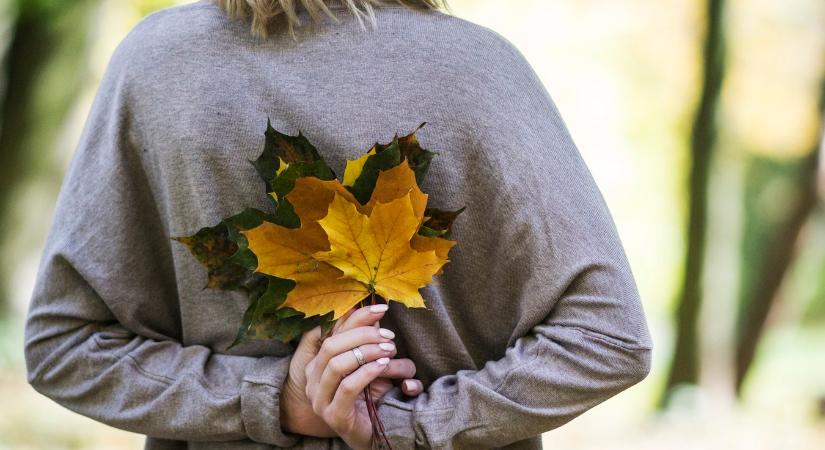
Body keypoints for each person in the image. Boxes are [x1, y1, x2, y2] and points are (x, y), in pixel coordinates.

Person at [23, 0, 654, 449]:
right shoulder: (482, 72)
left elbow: (65, 346)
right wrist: (413, 427)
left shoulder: (157, 65)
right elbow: (610, 338)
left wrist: (267, 401)